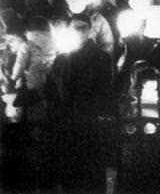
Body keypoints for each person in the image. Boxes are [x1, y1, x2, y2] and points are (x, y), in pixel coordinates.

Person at [44, 14, 114, 190]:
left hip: (87, 122)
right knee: (71, 173)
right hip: (67, 122)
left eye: (83, 27)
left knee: (89, 172)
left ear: (90, 30)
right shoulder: (62, 58)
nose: (79, 31)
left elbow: (103, 89)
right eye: (75, 28)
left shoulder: (101, 57)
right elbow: (52, 88)